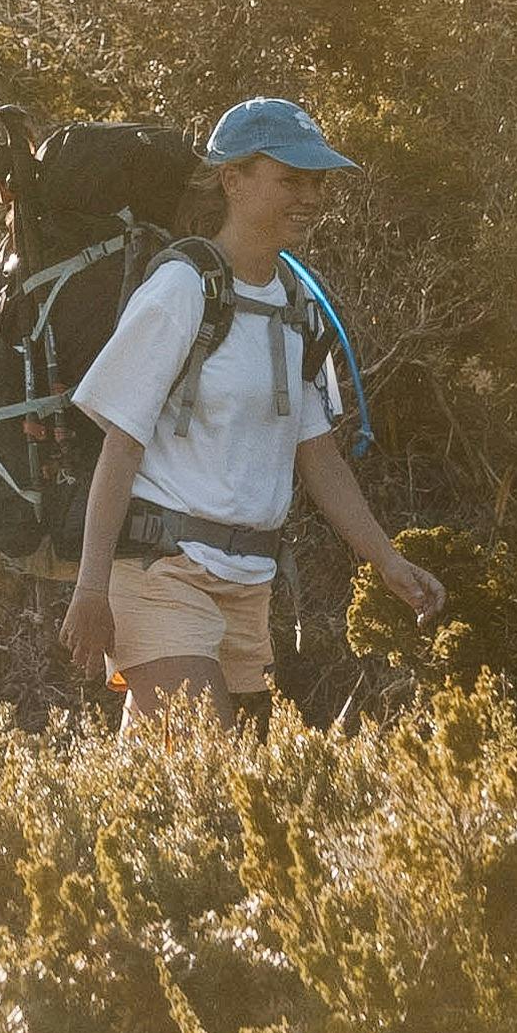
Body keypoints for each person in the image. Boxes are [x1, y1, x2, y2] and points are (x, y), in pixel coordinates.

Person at [58, 97, 446, 724]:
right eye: (290, 179)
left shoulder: (296, 302)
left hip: (248, 583)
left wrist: (389, 564)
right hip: (163, 572)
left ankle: (74, 822)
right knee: (206, 763)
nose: (311, 197)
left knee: (193, 783)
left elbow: (316, 454)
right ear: (232, 180)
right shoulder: (182, 289)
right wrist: (91, 588)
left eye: (316, 181)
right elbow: (120, 445)